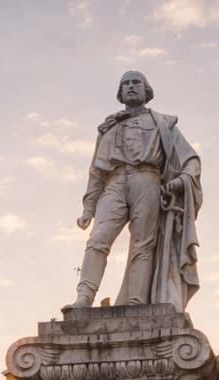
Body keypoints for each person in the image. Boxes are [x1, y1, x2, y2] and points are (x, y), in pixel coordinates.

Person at [70, 71, 202, 310]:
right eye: (126, 83)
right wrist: (88, 208)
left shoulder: (163, 123)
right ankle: (84, 298)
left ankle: (136, 302)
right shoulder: (109, 127)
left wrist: (181, 180)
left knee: (143, 244)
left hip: (147, 179)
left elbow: (190, 159)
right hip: (114, 181)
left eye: (136, 82)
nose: (131, 86)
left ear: (146, 91)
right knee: (98, 239)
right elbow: (96, 170)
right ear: (120, 92)